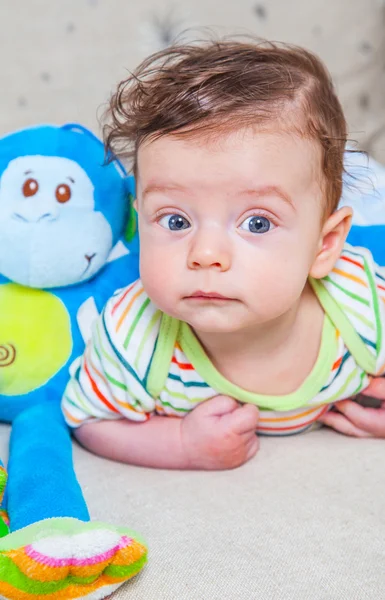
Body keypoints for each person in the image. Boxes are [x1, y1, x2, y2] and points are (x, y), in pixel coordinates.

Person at [61, 39, 385, 470]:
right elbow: (89, 419)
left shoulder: (362, 303)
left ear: (324, 246)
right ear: (140, 226)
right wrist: (180, 444)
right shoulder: (134, 336)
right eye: (176, 221)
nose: (206, 254)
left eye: (257, 223)